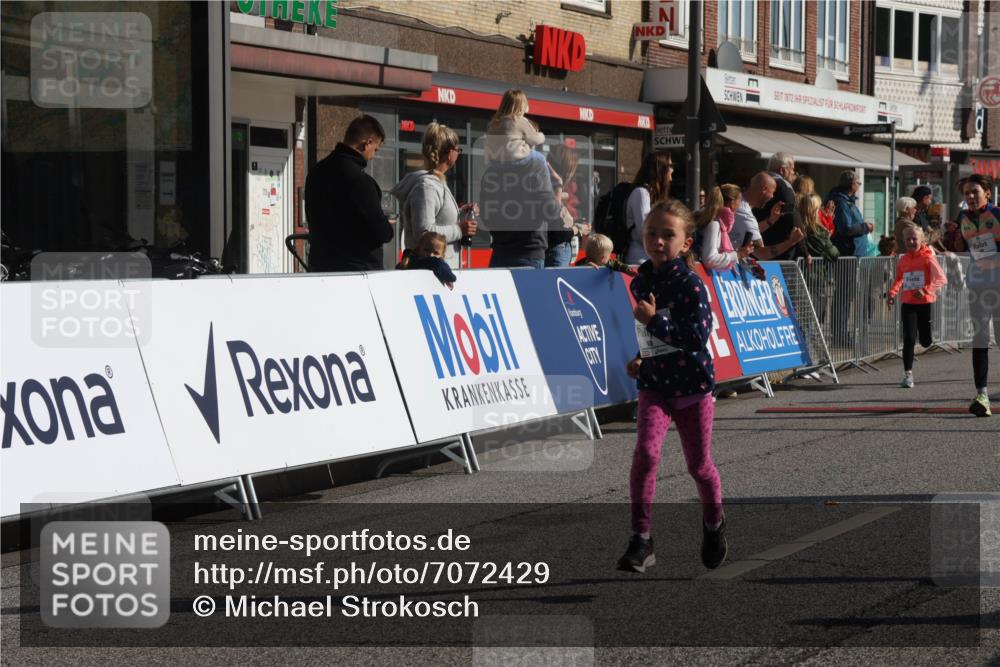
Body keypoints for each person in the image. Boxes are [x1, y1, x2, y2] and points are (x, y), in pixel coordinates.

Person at [618, 199, 726, 574]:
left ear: (686, 242)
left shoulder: (692, 285)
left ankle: (714, 525)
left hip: (693, 387)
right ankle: (641, 538)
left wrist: (653, 324)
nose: (658, 241)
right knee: (646, 455)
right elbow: (649, 333)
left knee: (699, 467)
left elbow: (695, 338)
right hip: (656, 386)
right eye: (652, 233)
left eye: (668, 235)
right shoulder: (643, 279)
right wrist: (639, 358)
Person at [305, 115, 394, 272]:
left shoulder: (316, 172)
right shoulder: (360, 181)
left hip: (319, 267)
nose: (373, 156)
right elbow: (381, 232)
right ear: (367, 144)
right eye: (375, 149)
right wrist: (386, 224)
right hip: (357, 271)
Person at [389, 122, 477, 270]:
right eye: (458, 150)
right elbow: (424, 232)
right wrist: (460, 230)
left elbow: (437, 220)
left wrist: (461, 213)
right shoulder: (427, 187)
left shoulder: (436, 183)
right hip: (430, 273)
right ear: (450, 154)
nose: (458, 154)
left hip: (439, 270)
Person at [958, 174, 1000, 416]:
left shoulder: (997, 215)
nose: (971, 197)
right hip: (978, 287)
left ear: (987, 193)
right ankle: (982, 394)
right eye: (966, 193)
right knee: (980, 338)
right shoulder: (963, 218)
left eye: (975, 192)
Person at [887, 222, 946, 388]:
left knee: (926, 341)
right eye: (908, 239)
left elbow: (941, 278)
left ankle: (926, 334)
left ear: (921, 240)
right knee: (909, 338)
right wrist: (892, 293)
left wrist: (926, 290)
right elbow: (899, 279)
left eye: (914, 239)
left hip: (925, 303)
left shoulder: (928, 257)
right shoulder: (903, 260)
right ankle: (908, 375)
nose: (911, 242)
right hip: (908, 303)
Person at [731, 172, 804, 260]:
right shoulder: (745, 214)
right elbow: (762, 254)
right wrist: (791, 241)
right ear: (764, 189)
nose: (772, 197)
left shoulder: (739, 201)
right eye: (772, 192)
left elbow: (748, 230)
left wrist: (770, 220)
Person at [624, 153, 673, 265]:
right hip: (640, 261)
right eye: (669, 166)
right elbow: (644, 231)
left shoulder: (652, 195)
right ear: (659, 169)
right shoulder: (641, 193)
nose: (672, 170)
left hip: (651, 259)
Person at [545, 144, 589, 267]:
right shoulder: (553, 189)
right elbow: (556, 232)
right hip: (555, 254)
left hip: (557, 253)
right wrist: (578, 229)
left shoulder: (552, 188)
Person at [696, 185, 752, 271]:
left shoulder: (719, 223)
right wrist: (737, 255)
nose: (740, 205)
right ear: (732, 203)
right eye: (740, 200)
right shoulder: (714, 224)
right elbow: (710, 259)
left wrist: (737, 255)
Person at [827, 170, 875, 258]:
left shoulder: (848, 201)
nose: (860, 185)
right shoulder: (842, 203)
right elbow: (845, 228)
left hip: (855, 253)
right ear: (852, 184)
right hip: (850, 253)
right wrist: (866, 227)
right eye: (858, 183)